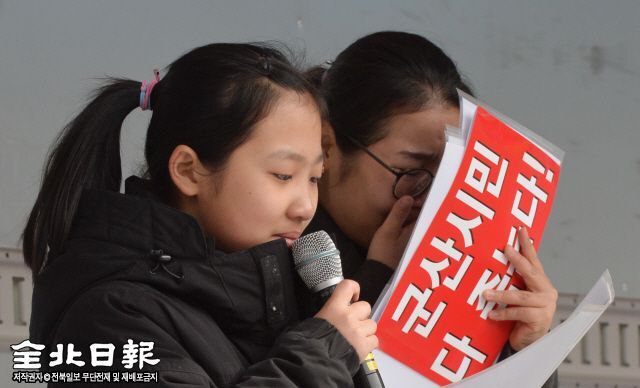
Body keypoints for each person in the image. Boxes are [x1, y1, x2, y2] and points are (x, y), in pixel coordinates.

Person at [22, 43, 378, 387]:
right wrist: (319, 359)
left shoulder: (273, 296)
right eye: (283, 175)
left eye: (315, 178)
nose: (304, 207)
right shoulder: (109, 315)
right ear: (189, 171)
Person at [303, 31, 559, 387]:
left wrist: (526, 352)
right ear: (327, 147)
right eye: (411, 172)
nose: (431, 200)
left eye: (453, 176)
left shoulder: (462, 272)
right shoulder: (272, 252)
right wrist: (376, 278)